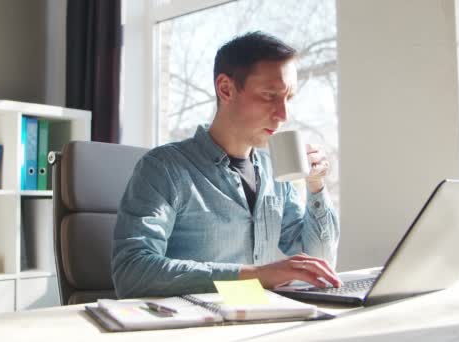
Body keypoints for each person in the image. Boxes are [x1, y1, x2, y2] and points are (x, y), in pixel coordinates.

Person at [112, 31, 341, 298]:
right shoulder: (163, 168)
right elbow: (131, 272)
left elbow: (320, 265)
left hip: (259, 320)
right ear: (226, 89)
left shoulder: (273, 172)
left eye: (288, 98)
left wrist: (315, 186)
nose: (283, 115)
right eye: (270, 96)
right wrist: (256, 276)